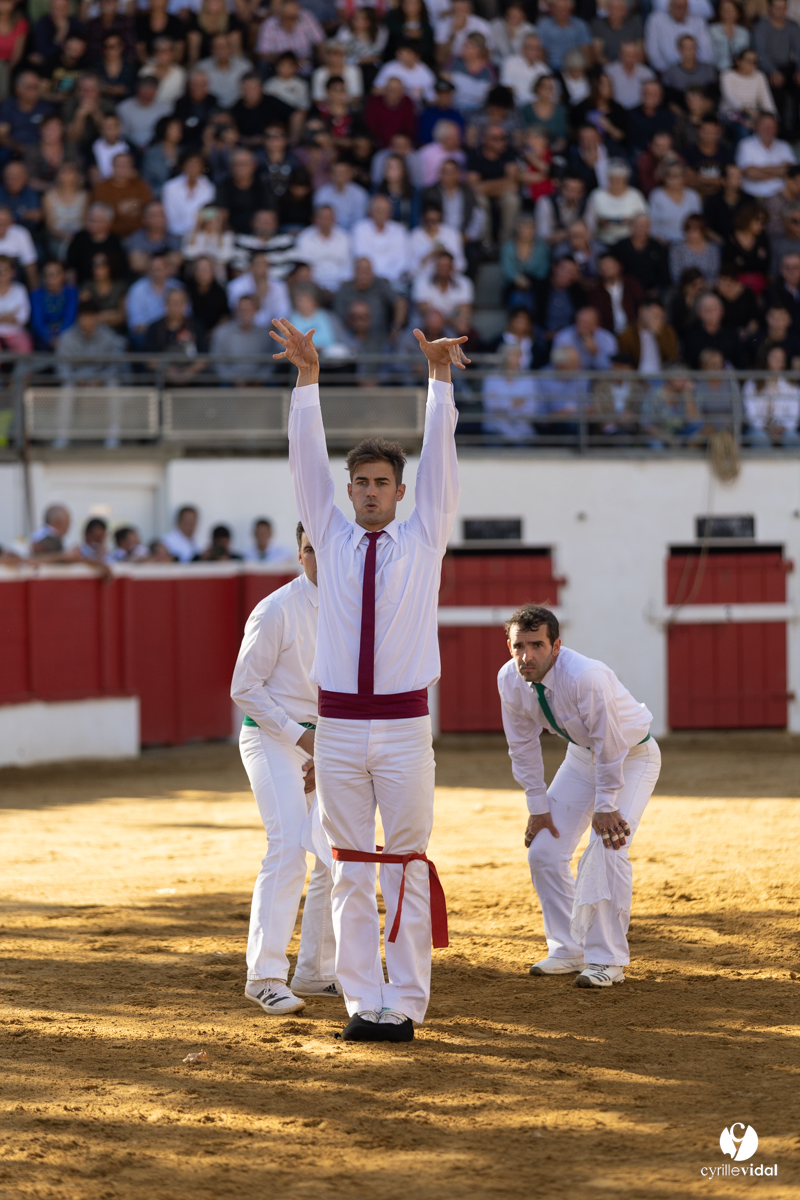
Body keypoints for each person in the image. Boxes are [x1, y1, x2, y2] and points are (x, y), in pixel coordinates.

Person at [276, 314, 469, 1043]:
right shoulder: (328, 534)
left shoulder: (424, 536)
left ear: (400, 489)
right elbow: (302, 464)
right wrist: (307, 379)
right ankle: (364, 1001)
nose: (366, 492)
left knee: (407, 862)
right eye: (357, 482)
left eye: (380, 482)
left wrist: (439, 380)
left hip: (401, 723)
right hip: (339, 724)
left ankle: (408, 1001)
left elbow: (444, 463)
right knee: (352, 865)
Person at [498, 603, 660, 987]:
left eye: (537, 645)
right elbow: (521, 747)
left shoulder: (586, 676)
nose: (527, 655)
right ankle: (568, 948)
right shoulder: (508, 679)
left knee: (607, 847)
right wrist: (538, 808)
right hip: (580, 758)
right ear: (509, 647)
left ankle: (608, 960)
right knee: (544, 849)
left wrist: (605, 806)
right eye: (519, 645)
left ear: (556, 646)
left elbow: (609, 744)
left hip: (631, 756)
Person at [232, 520, 339, 1015]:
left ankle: (316, 971)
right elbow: (244, 687)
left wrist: (327, 748)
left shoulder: (354, 607)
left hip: (324, 741)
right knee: (289, 844)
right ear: (299, 555)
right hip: (271, 736)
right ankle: (264, 975)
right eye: (308, 549)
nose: (317, 557)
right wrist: (303, 739)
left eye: (324, 547)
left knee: (335, 851)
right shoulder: (275, 608)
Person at [584, 159, 647, 247]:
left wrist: (632, 222)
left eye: (620, 180)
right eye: (613, 179)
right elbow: (588, 223)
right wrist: (600, 223)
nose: (616, 183)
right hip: (602, 240)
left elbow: (643, 219)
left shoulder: (635, 195)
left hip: (630, 242)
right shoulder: (596, 195)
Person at [31, 259, 78, 350]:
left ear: (63, 275)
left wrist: (60, 338)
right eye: (47, 274)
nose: (50, 278)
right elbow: (37, 322)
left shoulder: (72, 293)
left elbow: (70, 319)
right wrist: (50, 338)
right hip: (43, 339)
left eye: (54, 274)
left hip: (67, 337)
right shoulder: (36, 295)